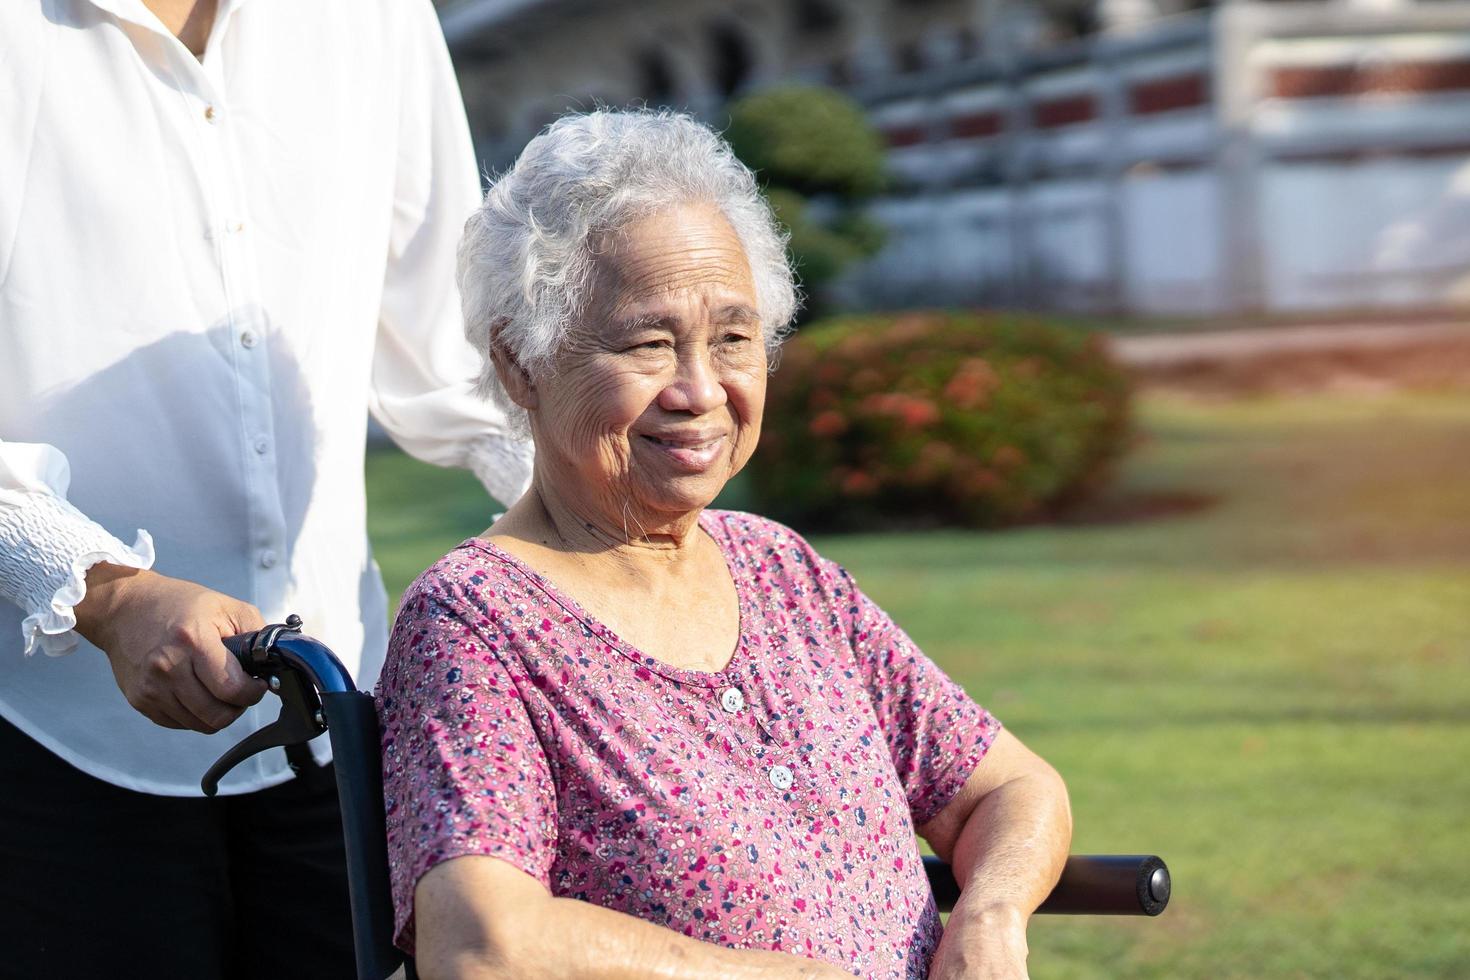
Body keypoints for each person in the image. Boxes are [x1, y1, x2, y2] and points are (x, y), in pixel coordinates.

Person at [377, 109, 1072, 980]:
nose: (701, 390)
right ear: (521, 363)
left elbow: (1009, 789)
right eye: (649, 343)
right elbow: (482, 945)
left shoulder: (782, 571)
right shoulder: (479, 619)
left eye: (734, 339)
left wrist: (992, 912)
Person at [0, 0, 531, 976]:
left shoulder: (375, 18)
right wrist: (108, 592)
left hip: (339, 718)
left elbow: (457, 350)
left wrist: (602, 525)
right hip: (43, 740)